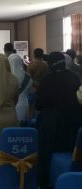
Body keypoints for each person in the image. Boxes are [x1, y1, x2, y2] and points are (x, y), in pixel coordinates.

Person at [35, 52, 82, 189]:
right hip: (73, 122)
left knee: (46, 154)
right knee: (69, 153)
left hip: (51, 123)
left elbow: (39, 104)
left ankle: (45, 183)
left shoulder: (47, 80)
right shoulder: (74, 78)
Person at [8, 54, 32, 125]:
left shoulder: (6, 77)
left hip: (9, 106)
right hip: (23, 104)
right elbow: (29, 91)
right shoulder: (27, 77)